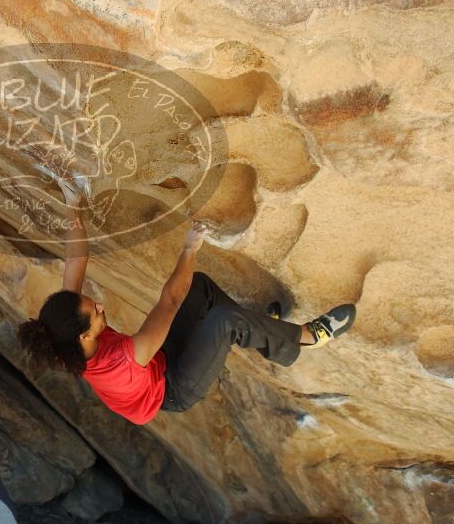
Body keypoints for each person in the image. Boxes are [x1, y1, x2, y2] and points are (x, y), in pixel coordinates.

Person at [18, 179, 355, 425]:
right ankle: (306, 338)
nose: (100, 307)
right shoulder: (123, 361)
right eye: (95, 312)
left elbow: (76, 258)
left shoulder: (60, 335)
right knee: (225, 321)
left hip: (157, 362)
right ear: (84, 337)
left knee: (202, 289)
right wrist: (190, 247)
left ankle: (268, 332)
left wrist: (71, 202)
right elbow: (171, 299)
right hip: (173, 388)